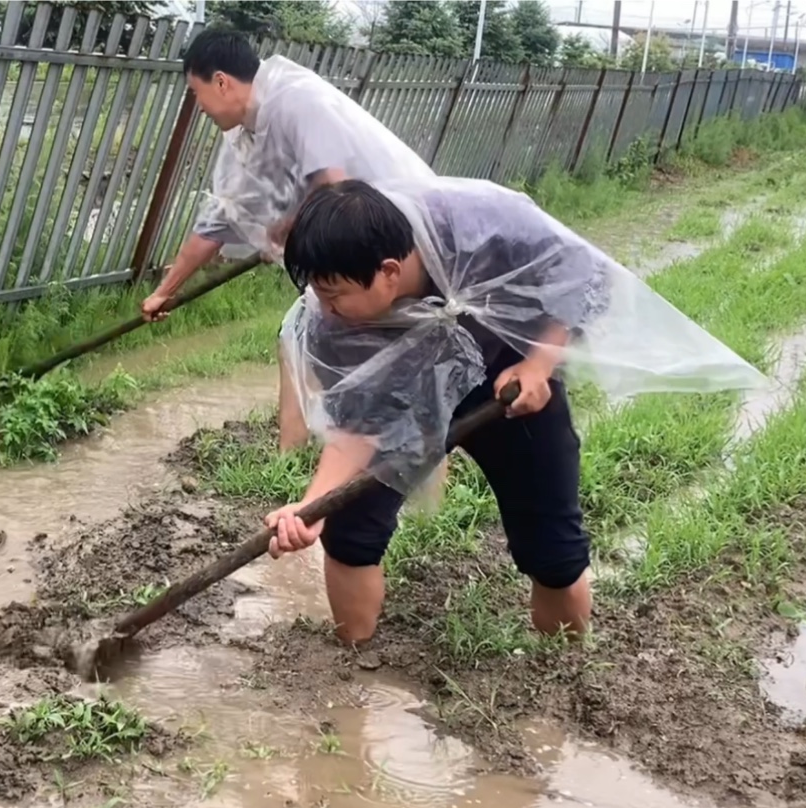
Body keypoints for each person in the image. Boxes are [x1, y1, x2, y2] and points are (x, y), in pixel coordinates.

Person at [265, 178, 604, 644]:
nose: (324, 308)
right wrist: (313, 506)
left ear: (388, 271)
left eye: (334, 294)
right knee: (349, 531)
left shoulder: (480, 227)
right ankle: (348, 660)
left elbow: (576, 272)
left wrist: (539, 364)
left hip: (505, 380)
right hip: (404, 395)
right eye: (317, 293)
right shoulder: (332, 322)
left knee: (554, 550)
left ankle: (566, 667)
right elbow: (354, 428)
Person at [140, 27, 436, 453]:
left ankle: (406, 463)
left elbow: (336, 186)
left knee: (389, 353)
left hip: (397, 243)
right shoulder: (248, 132)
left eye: (196, 91)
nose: (198, 105)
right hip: (353, 250)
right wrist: (164, 292)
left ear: (221, 81)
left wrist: (288, 225)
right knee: (300, 337)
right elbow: (217, 220)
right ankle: (298, 455)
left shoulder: (298, 100)